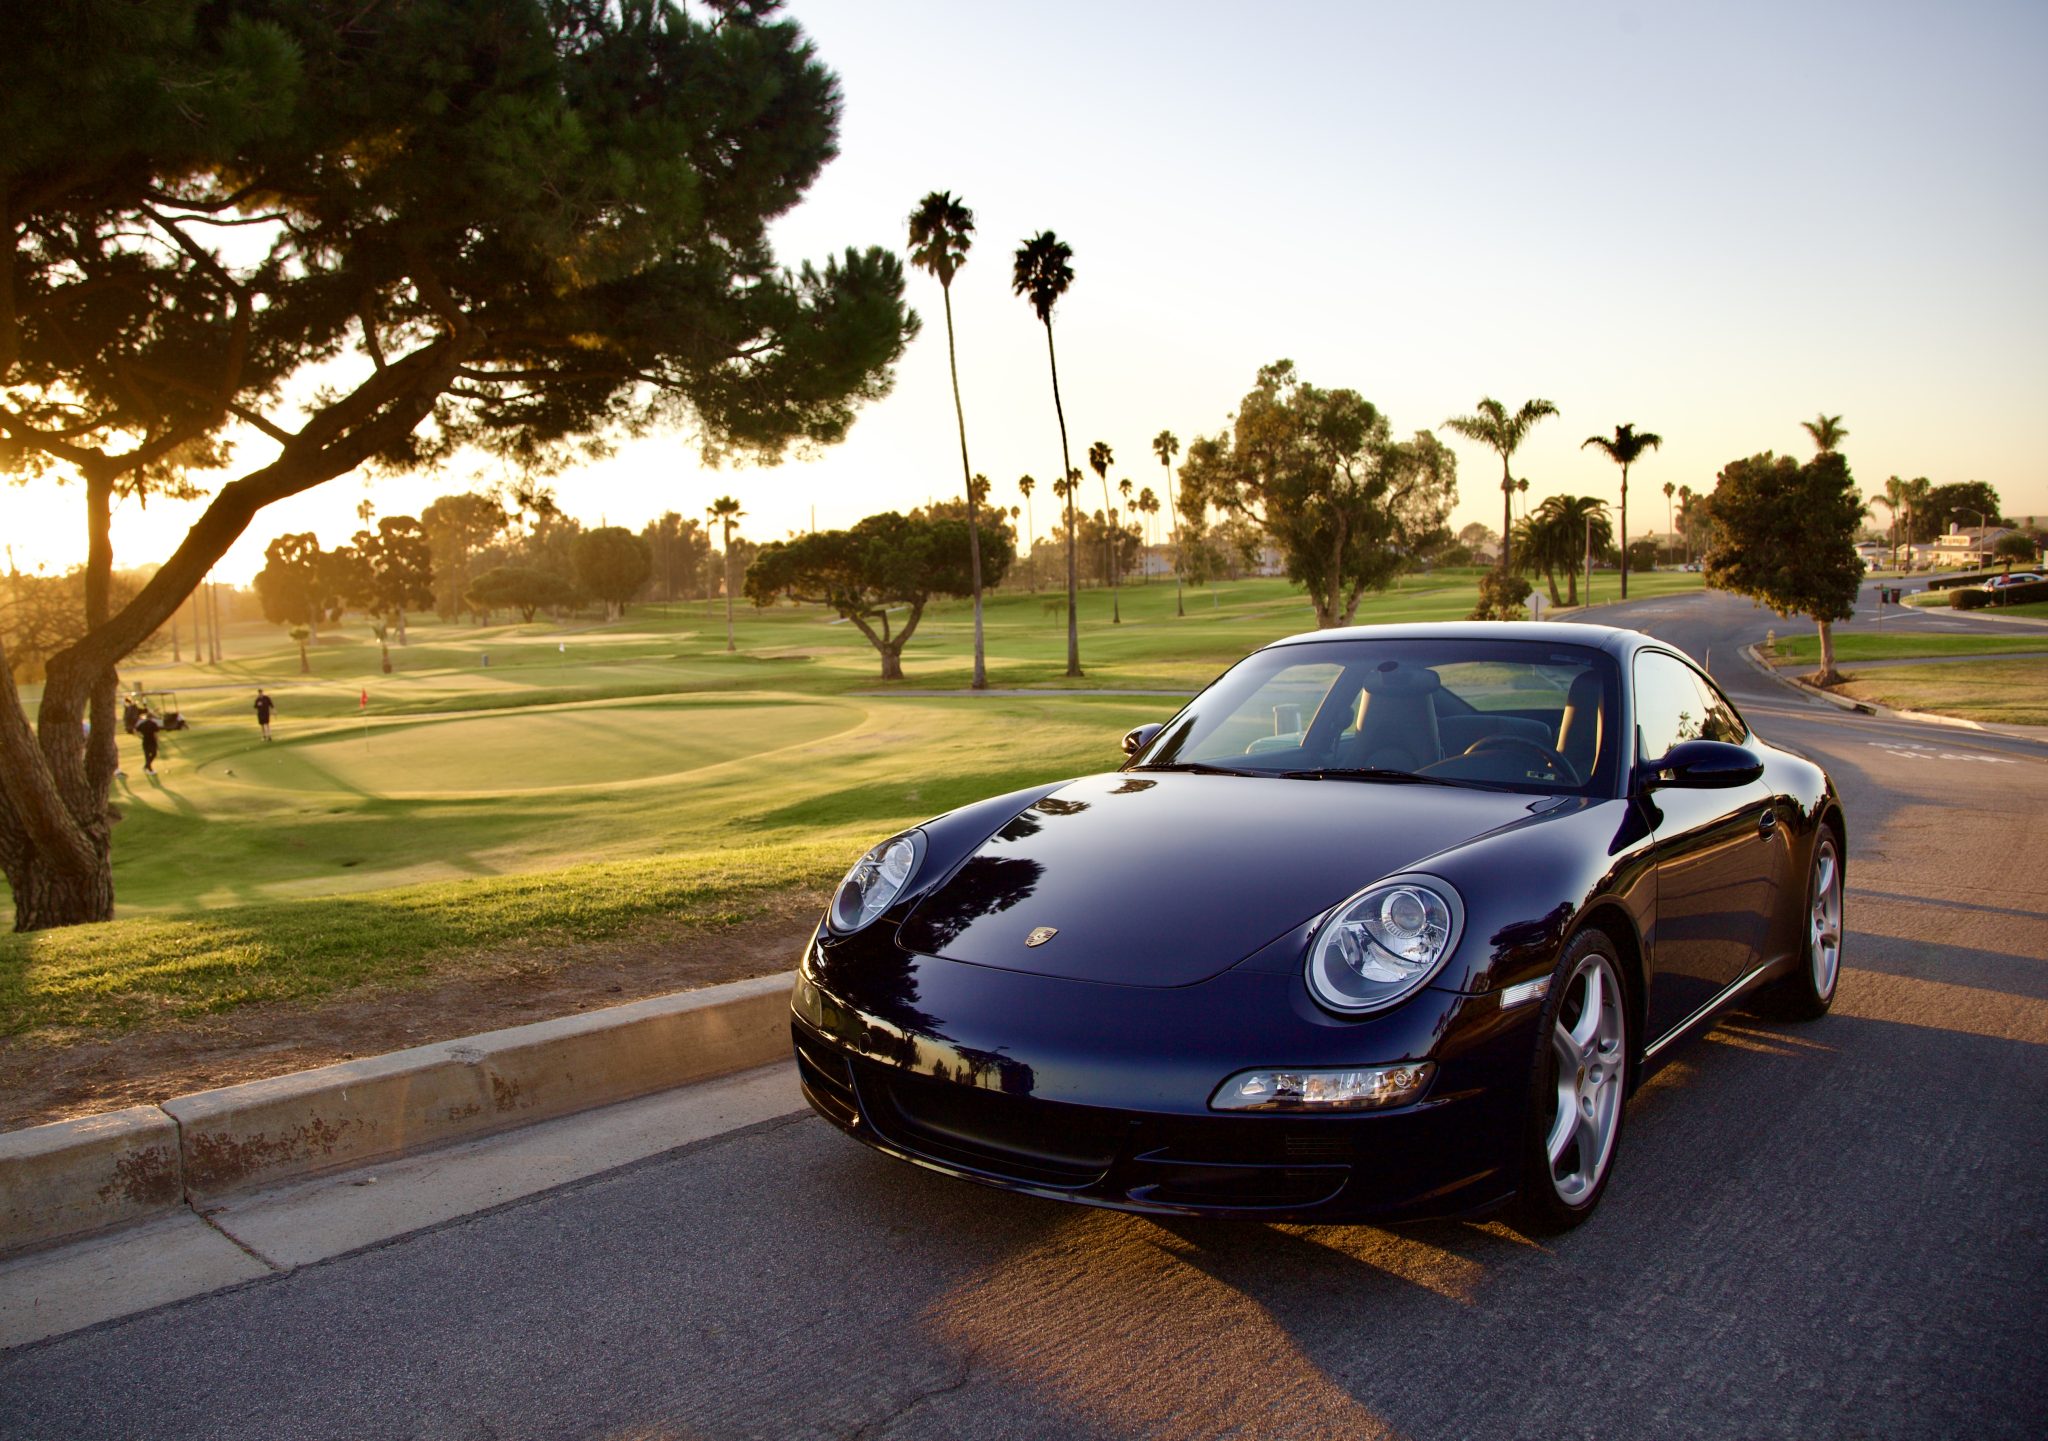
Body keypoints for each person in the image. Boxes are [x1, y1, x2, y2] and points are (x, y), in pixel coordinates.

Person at [135, 707, 162, 774]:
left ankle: (146, 767)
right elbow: (155, 734)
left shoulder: (142, 724)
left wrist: (140, 737)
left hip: (145, 740)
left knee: (147, 755)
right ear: (152, 717)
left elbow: (135, 730)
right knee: (154, 754)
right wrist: (158, 742)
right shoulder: (153, 724)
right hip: (152, 741)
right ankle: (148, 768)